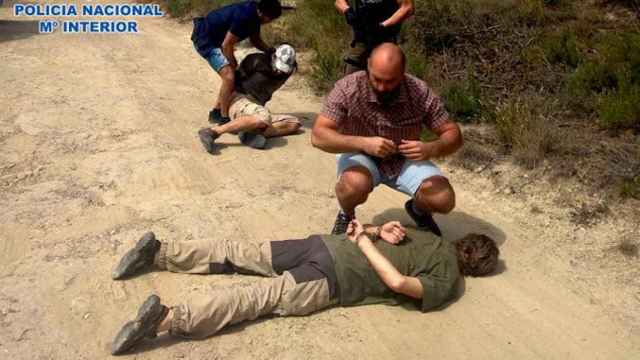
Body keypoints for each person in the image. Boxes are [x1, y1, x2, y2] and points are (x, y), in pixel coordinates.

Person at [109, 218, 499, 355]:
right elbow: (397, 279)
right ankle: (166, 317)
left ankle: (161, 255)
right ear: (477, 267)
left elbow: (395, 266)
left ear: (466, 244)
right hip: (333, 272)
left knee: (241, 253)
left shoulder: (438, 249)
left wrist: (371, 233)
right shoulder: (448, 276)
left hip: (325, 250)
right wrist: (371, 235)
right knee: (254, 293)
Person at [311, 43, 463, 235]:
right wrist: (363, 143)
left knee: (443, 199)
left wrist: (432, 148)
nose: (382, 87)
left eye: (390, 81)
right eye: (377, 79)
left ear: (403, 74)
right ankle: (347, 215)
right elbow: (318, 135)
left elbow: (453, 133)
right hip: (361, 155)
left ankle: (418, 211)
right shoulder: (347, 88)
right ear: (368, 66)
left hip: (403, 158)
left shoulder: (419, 92)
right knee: (354, 184)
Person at [191, 0, 282, 125]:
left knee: (232, 75)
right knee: (229, 76)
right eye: (270, 19)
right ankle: (223, 117)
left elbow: (255, 39)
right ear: (262, 13)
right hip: (206, 39)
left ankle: (216, 111)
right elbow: (227, 45)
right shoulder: (245, 16)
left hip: (217, 39)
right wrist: (233, 64)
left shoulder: (255, 14)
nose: (270, 22)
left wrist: (268, 50)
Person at [198, 44, 301, 153]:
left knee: (293, 123)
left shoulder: (288, 71)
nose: (280, 71)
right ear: (274, 57)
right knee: (263, 117)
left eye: (284, 69)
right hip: (239, 100)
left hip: (255, 107)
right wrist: (220, 109)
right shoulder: (255, 61)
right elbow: (231, 84)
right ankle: (213, 132)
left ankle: (250, 131)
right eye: (279, 67)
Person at [336, 0, 414, 74]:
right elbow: (339, 1)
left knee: (387, 80)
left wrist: (383, 25)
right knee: (350, 81)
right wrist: (347, 10)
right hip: (361, 41)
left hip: (385, 41)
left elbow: (407, 7)